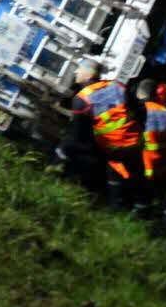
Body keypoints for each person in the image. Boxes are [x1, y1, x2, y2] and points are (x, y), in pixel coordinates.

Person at [53, 60, 144, 207]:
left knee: (76, 146)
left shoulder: (81, 99)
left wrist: (60, 155)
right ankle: (137, 206)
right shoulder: (116, 85)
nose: (76, 72)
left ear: (89, 74)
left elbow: (77, 133)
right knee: (135, 179)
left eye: (79, 69)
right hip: (137, 141)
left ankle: (86, 193)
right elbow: (134, 108)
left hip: (114, 149)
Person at [135, 79, 166, 224]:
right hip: (165, 166)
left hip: (146, 165)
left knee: (143, 197)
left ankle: (141, 221)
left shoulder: (140, 109)